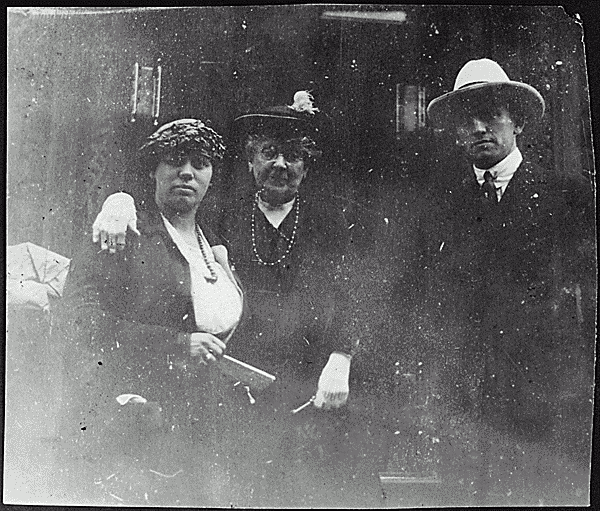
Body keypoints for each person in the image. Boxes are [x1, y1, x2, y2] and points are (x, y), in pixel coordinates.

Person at [90, 93, 382, 507]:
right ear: (250, 161)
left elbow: (359, 293)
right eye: (269, 153)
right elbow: (169, 215)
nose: (281, 165)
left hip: (318, 385)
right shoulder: (220, 216)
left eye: (293, 156)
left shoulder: (335, 221)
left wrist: (342, 357)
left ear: (306, 164)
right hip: (238, 393)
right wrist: (117, 203)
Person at [52, 119, 244, 506]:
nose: (187, 172)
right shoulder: (121, 231)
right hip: (135, 418)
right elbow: (79, 319)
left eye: (200, 163)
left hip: (205, 427)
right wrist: (177, 343)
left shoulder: (216, 244)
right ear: (154, 170)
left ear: (211, 176)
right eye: (175, 160)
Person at [425, 59, 595, 452]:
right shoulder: (443, 206)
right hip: (469, 402)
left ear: (516, 122)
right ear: (456, 133)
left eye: (491, 116)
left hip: (547, 399)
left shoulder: (567, 197)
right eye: (467, 120)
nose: (480, 128)